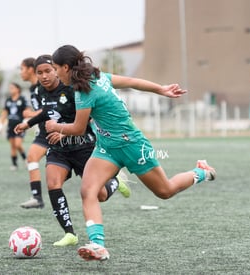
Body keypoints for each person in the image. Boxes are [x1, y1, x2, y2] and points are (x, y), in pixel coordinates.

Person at [45, 45, 217, 261]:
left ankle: (201, 171)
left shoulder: (85, 91)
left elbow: (78, 128)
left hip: (133, 146)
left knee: (165, 191)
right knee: (88, 191)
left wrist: (55, 127)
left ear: (66, 67)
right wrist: (160, 89)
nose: (55, 73)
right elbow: (133, 82)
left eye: (55, 68)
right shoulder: (98, 77)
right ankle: (98, 246)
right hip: (107, 148)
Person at [15, 54, 131, 247]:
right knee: (53, 183)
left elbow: (85, 121)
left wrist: (64, 132)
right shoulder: (41, 91)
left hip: (82, 147)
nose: (44, 76)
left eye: (48, 71)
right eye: (39, 73)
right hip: (58, 149)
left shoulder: (71, 89)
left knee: (100, 195)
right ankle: (70, 233)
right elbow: (47, 111)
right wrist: (28, 123)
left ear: (56, 70)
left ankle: (115, 181)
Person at [18, 57, 49, 209]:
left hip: (57, 130)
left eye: (22, 69)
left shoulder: (43, 86)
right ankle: (37, 198)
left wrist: (30, 115)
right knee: (31, 157)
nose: (20, 73)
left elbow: (49, 108)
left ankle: (112, 179)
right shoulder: (32, 88)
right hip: (44, 132)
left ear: (30, 69)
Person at [0, 82, 27, 171]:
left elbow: (27, 111)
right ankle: (14, 164)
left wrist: (25, 122)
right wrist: (1, 125)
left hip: (20, 126)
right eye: (10, 88)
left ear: (18, 89)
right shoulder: (8, 100)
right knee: (13, 146)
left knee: (18, 144)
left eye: (12, 88)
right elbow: (4, 113)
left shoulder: (22, 99)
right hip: (10, 126)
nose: (10, 89)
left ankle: (25, 159)